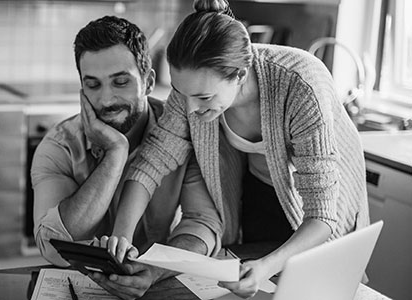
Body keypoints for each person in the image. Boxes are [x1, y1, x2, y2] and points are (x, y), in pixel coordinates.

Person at [110, 0, 370, 298]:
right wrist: (122, 236)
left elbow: (322, 216)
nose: (191, 108)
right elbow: (152, 161)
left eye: (204, 98)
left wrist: (265, 266)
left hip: (319, 208)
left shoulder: (301, 86)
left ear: (241, 76)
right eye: (182, 94)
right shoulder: (192, 92)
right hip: (260, 191)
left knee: (317, 286)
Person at [30, 15, 221, 299]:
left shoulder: (184, 134)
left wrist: (155, 270)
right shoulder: (59, 146)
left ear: (148, 82)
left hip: (160, 283)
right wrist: (115, 154)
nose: (107, 100)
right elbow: (52, 245)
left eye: (120, 82)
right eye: (93, 85)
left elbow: (203, 224)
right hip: (81, 288)